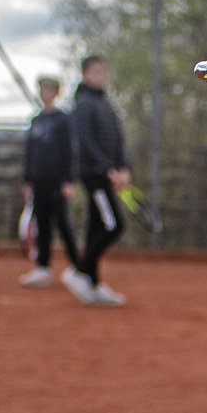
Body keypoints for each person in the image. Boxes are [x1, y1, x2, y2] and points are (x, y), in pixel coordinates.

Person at [63, 54, 130, 307]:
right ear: (85, 74)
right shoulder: (83, 104)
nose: (101, 76)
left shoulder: (106, 104)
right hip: (94, 176)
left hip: (108, 173)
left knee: (95, 228)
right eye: (95, 72)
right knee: (113, 225)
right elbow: (86, 142)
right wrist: (106, 169)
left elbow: (117, 139)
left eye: (103, 71)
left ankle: (92, 282)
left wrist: (123, 167)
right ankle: (80, 270)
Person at [18, 76, 80, 287]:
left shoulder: (63, 120)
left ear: (57, 92)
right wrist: (28, 180)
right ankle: (42, 268)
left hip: (57, 182)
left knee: (63, 225)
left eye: (50, 89)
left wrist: (68, 180)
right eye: (44, 89)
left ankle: (79, 268)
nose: (46, 93)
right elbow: (29, 152)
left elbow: (70, 152)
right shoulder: (36, 121)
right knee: (41, 225)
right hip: (39, 183)